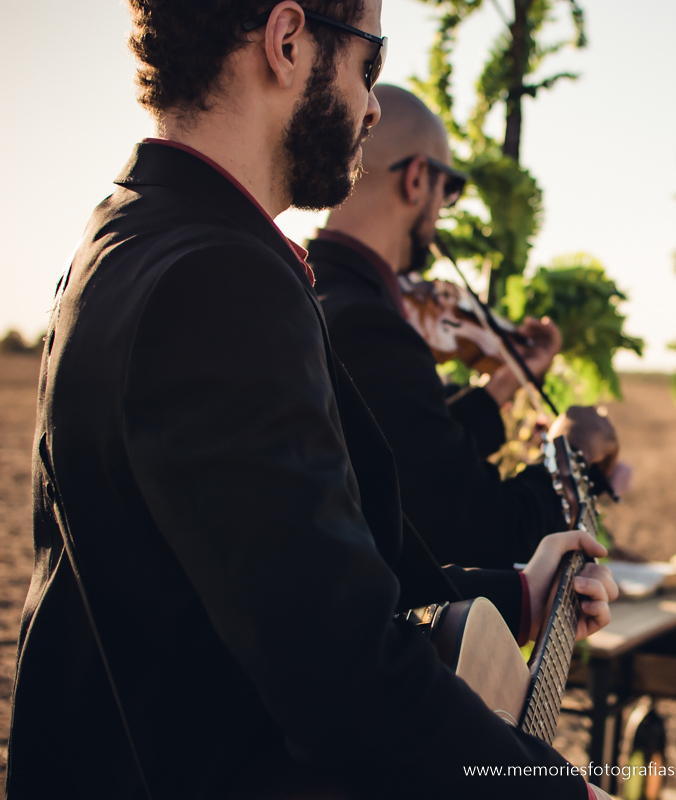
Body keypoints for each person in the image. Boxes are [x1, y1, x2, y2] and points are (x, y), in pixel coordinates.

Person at [9, 3, 616, 797]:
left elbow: (279, 577)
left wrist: (518, 592)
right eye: (370, 64)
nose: (372, 104)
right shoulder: (217, 282)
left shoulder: (125, 235)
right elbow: (343, 682)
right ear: (288, 41)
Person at [307, 85, 627, 570]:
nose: (443, 209)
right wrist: (573, 454)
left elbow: (408, 453)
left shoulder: (315, 295)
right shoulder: (367, 326)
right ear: (417, 179)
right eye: (449, 189)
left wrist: (501, 385)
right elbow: (481, 531)